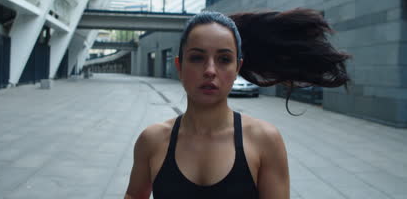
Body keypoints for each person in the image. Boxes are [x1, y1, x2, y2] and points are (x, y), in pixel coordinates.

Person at [124, 10, 351, 199]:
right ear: (179, 66)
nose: (210, 70)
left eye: (224, 59)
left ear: (237, 69)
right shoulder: (152, 141)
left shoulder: (264, 140)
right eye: (196, 57)